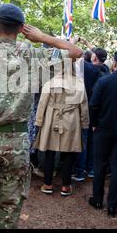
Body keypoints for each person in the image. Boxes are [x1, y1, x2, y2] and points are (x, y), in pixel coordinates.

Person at [0, 3, 83, 229]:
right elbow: (75, 51)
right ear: (21, 29)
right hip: (17, 143)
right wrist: (43, 37)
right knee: (9, 211)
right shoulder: (33, 56)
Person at [88, 50, 117, 217]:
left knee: (99, 164)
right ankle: (112, 205)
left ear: (114, 63)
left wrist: (93, 123)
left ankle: (98, 199)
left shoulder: (104, 81)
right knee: (116, 167)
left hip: (103, 128)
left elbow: (93, 105)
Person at [35, 60, 89, 196]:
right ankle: (66, 185)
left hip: (51, 118)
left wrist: (39, 122)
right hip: (72, 120)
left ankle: (47, 184)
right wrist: (84, 123)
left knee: (49, 152)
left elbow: (42, 103)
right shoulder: (79, 83)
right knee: (69, 153)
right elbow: (84, 105)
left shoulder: (51, 82)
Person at [72, 46, 109, 182]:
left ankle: (80, 170)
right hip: (100, 113)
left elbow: (75, 55)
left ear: (94, 58)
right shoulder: (106, 71)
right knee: (94, 141)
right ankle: (92, 168)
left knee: (83, 140)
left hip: (86, 110)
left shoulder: (88, 68)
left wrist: (74, 42)